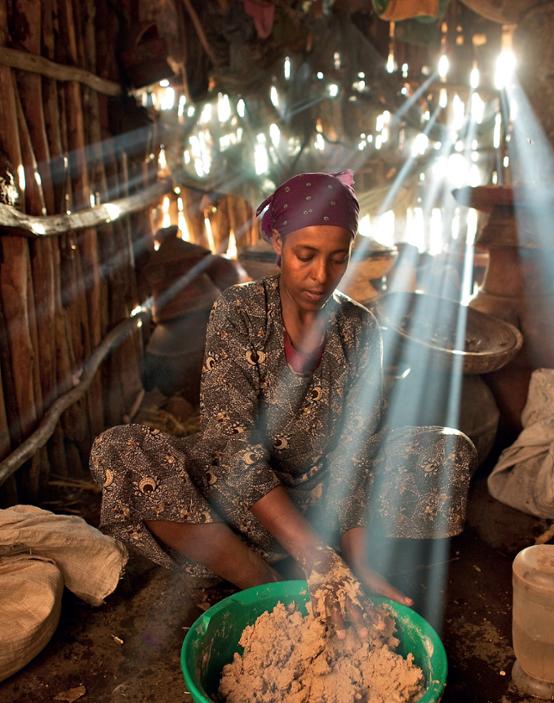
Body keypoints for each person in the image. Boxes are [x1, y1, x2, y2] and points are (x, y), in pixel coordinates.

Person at [90, 171, 474, 635]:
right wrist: (316, 556)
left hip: (327, 500)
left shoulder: (360, 327)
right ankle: (266, 584)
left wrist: (357, 567)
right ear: (277, 242)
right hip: (244, 503)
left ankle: (332, 566)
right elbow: (231, 446)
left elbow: (355, 453)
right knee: (122, 451)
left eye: (337, 259)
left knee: (448, 447)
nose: (320, 276)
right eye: (305, 256)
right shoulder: (239, 310)